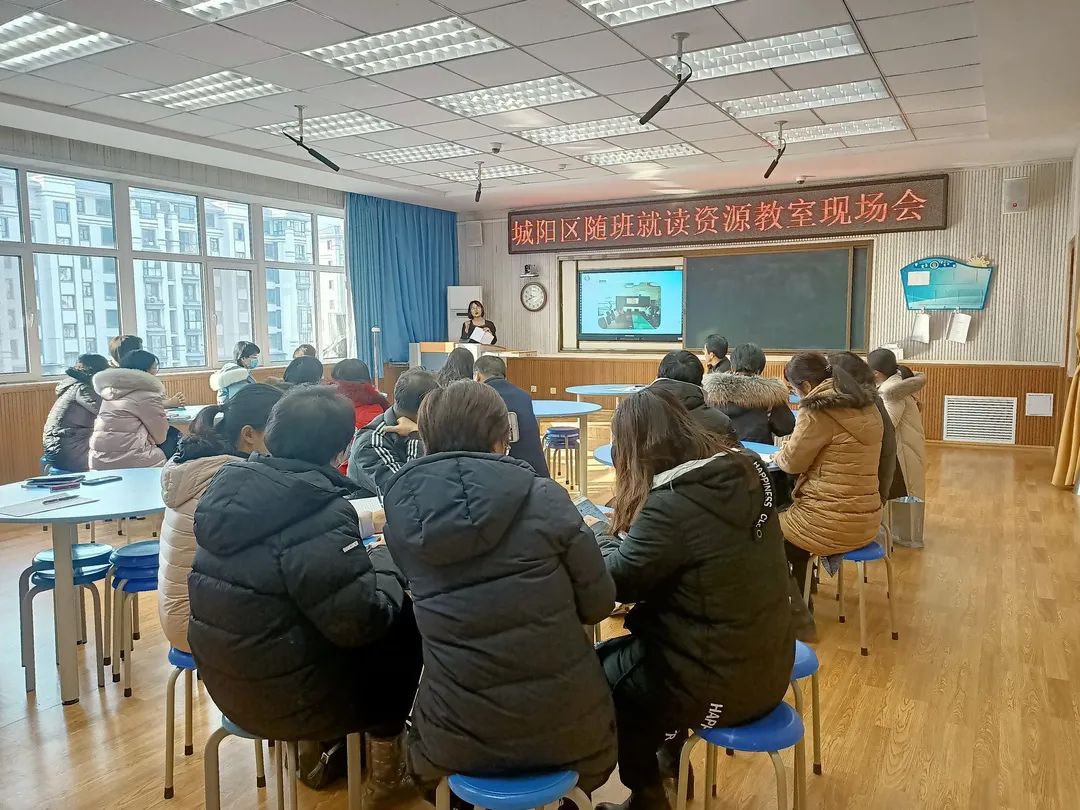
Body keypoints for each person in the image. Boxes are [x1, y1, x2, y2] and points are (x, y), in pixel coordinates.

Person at [188, 386, 422, 807]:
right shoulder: (319, 509)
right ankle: (388, 768)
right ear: (342, 448)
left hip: (227, 686)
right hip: (296, 701)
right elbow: (362, 621)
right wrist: (387, 557)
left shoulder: (228, 489)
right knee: (401, 622)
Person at [382, 380, 616, 793]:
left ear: (427, 435)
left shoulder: (403, 514)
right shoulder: (546, 498)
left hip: (450, 738)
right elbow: (599, 604)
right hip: (569, 735)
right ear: (500, 438)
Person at [594, 388, 793, 810]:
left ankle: (647, 796)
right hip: (769, 665)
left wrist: (598, 532)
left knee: (599, 678)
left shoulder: (672, 506)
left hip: (718, 686)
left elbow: (616, 584)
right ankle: (671, 763)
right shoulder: (746, 469)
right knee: (628, 658)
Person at [158, 384, 282, 653]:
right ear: (248, 434)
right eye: (279, 432)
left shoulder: (199, 463)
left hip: (186, 610)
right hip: (196, 620)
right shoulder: (228, 478)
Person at [774, 351, 883, 607]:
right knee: (788, 523)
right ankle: (804, 594)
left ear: (807, 386)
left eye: (794, 388)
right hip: (867, 519)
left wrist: (780, 453)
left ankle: (797, 612)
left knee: (765, 529)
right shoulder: (866, 405)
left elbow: (792, 463)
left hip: (829, 522)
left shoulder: (817, 409)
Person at [348, 368, 438, 498]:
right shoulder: (372, 441)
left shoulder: (429, 426)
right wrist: (416, 436)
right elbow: (409, 491)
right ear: (425, 409)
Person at [89, 350, 178, 469]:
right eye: (155, 367)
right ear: (146, 370)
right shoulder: (147, 394)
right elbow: (161, 437)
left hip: (99, 460)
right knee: (176, 439)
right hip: (133, 460)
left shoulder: (110, 391)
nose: (156, 371)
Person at [828, 351, 897, 504]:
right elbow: (889, 449)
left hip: (845, 498)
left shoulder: (839, 407)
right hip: (869, 494)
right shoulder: (873, 400)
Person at [702, 343, 795, 445]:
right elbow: (786, 428)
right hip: (758, 456)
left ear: (732, 367)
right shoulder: (772, 395)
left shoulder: (711, 392)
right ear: (760, 369)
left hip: (721, 453)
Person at [869, 348, 927, 506]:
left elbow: (886, 426)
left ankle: (907, 530)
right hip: (905, 447)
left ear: (875, 373)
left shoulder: (891, 392)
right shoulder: (897, 381)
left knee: (906, 496)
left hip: (902, 453)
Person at [474, 354, 548, 477]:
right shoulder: (524, 396)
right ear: (504, 375)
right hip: (537, 474)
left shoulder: (478, 398)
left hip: (499, 475)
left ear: (477, 376)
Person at [42, 354, 110, 473]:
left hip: (58, 447)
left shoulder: (73, 386)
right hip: (68, 452)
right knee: (120, 455)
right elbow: (109, 412)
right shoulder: (84, 389)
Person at [651, 350, 733, 437]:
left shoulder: (638, 414)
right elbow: (736, 449)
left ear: (658, 378)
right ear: (701, 384)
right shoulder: (720, 422)